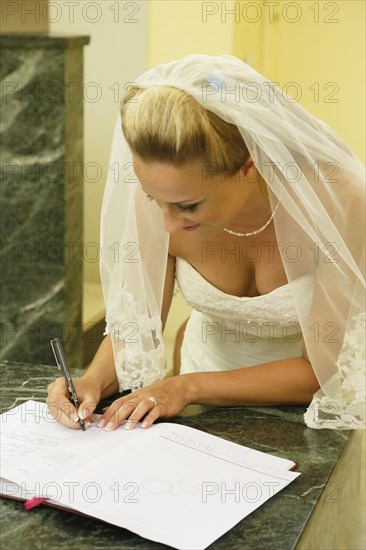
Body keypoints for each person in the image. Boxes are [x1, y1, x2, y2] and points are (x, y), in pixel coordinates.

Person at [47, 54, 365, 431]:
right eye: (155, 200)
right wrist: (92, 381)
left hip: (308, 408)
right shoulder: (160, 193)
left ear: (247, 165)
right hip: (197, 391)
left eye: (188, 206)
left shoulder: (340, 201)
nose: (167, 223)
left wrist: (187, 386)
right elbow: (135, 329)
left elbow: (321, 371)